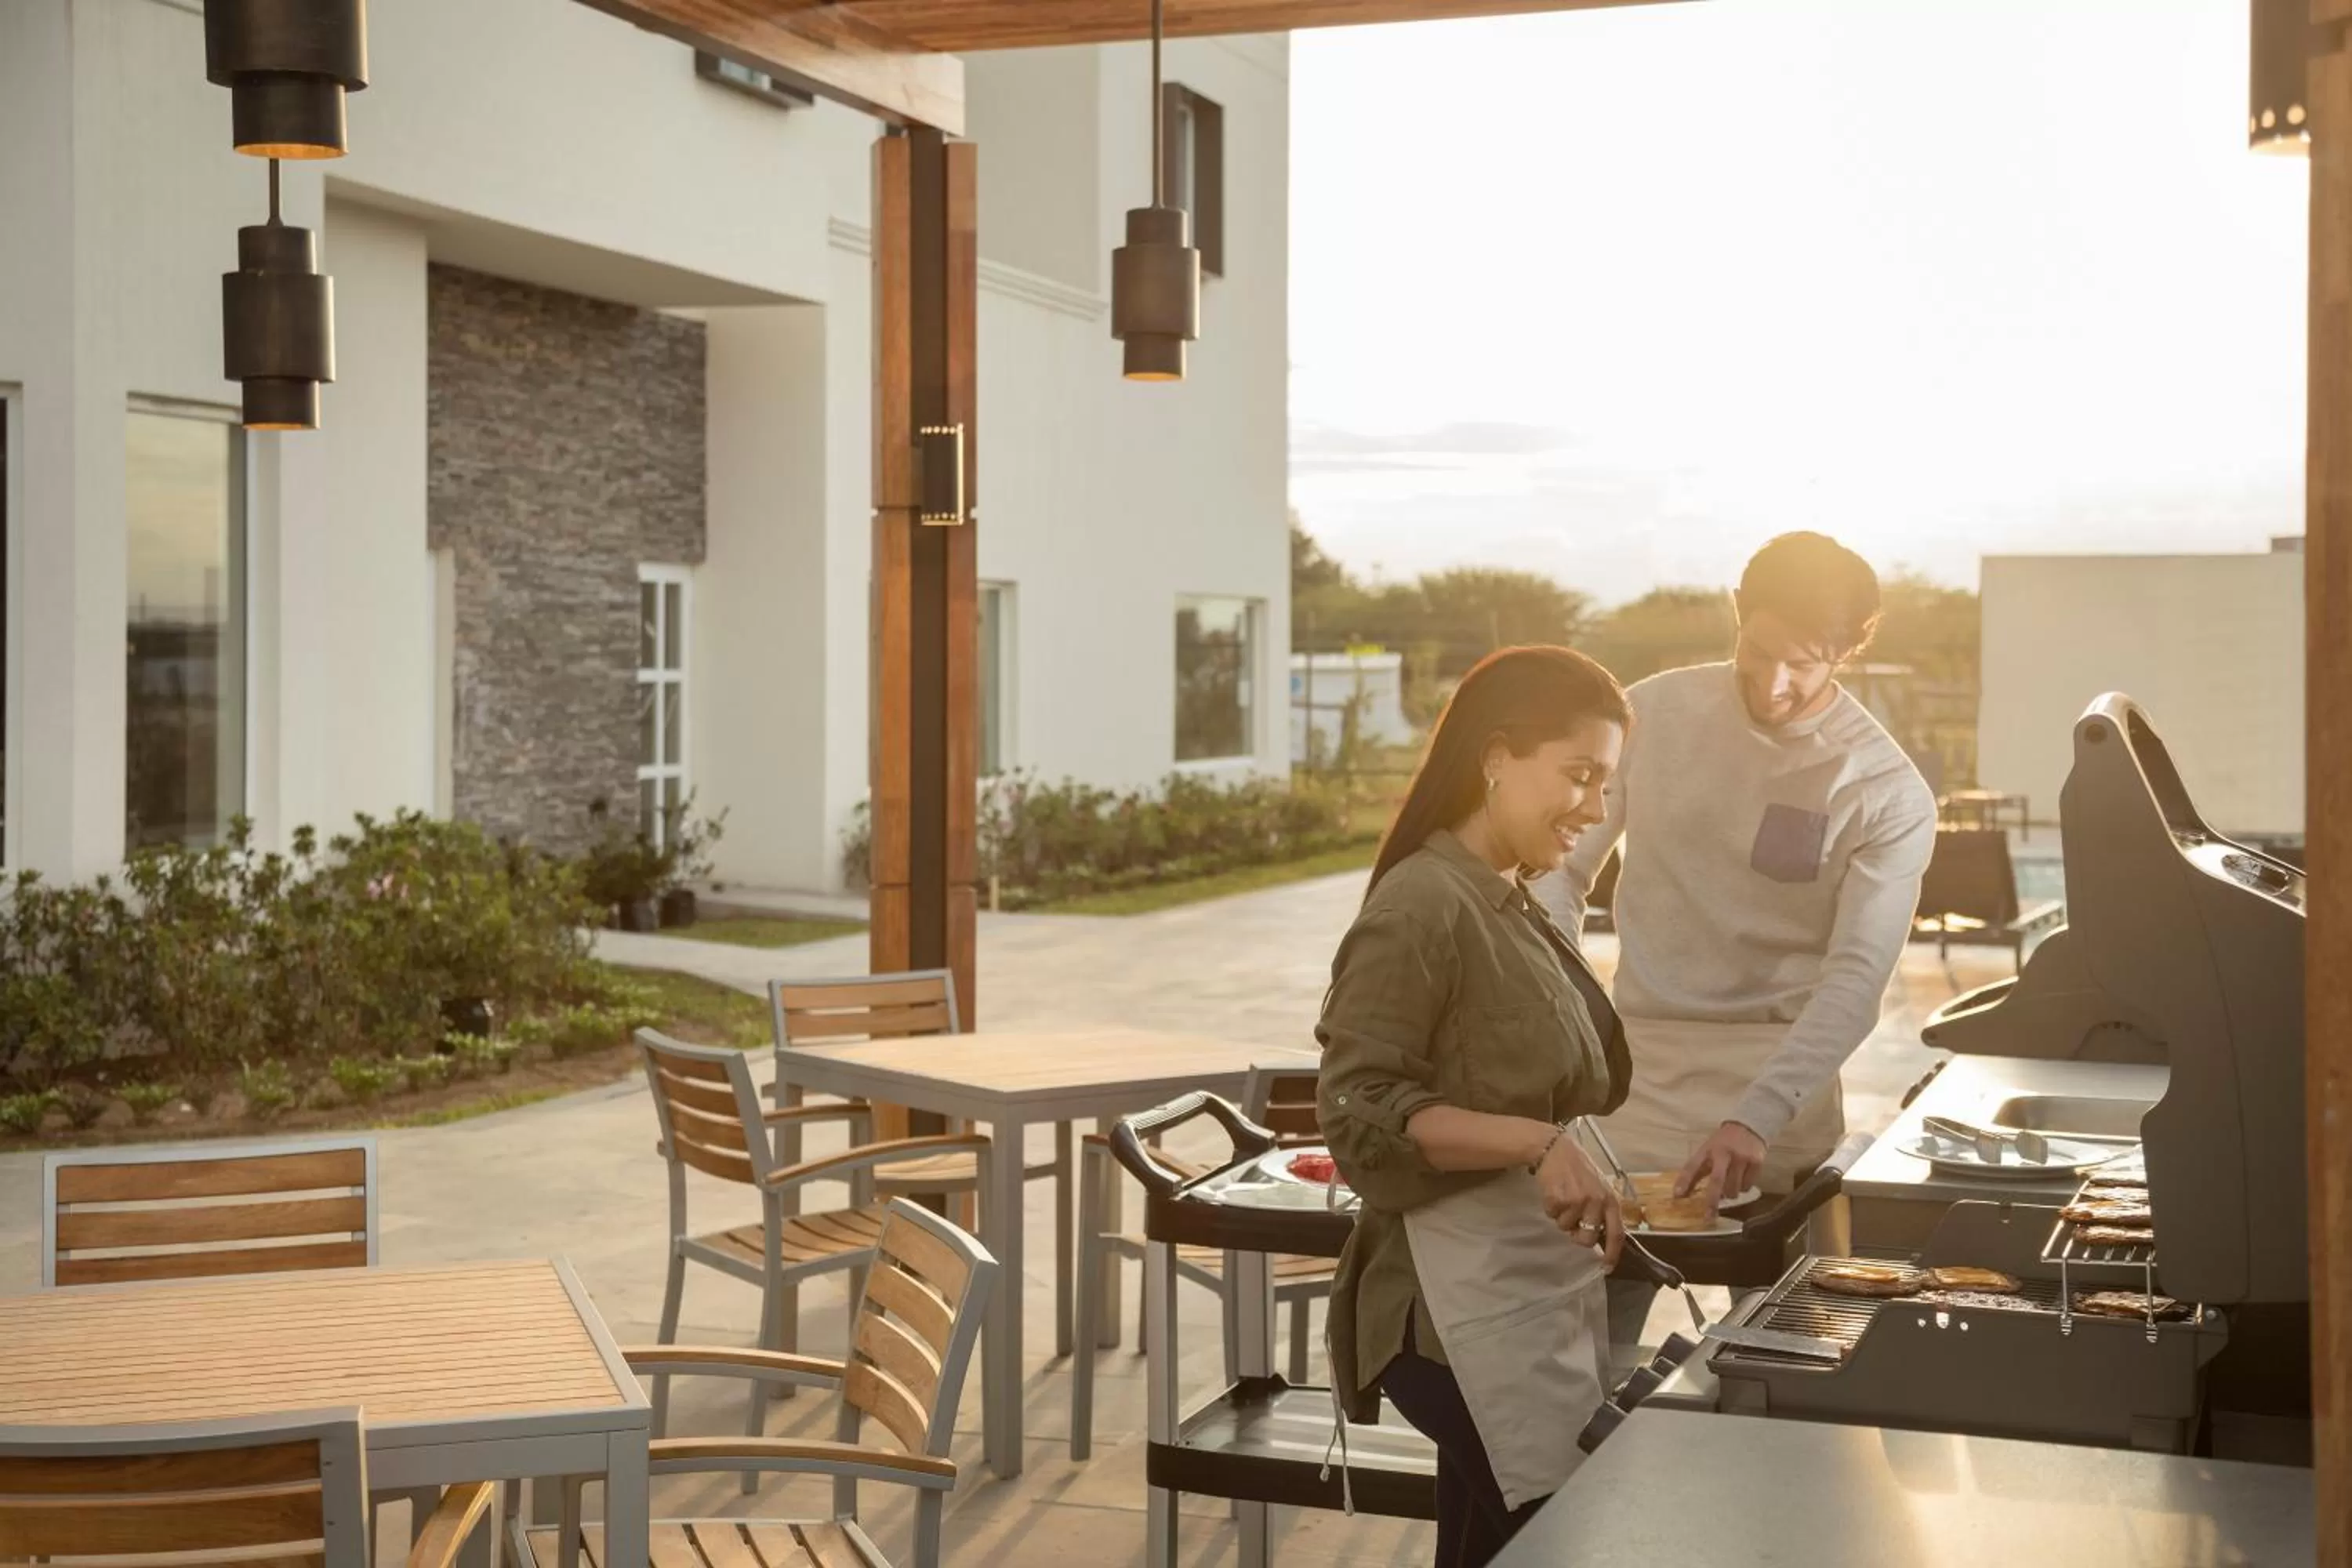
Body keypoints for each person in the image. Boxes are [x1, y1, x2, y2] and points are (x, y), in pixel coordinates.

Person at [1530, 531, 1937, 1345]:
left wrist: (1756, 1115)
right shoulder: (1649, 715)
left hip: (1778, 1082)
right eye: (1759, 650)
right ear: (1737, 615)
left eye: (1806, 662)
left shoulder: (1886, 792)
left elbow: (1856, 978)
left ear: (1848, 651)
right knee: (1582, 1340)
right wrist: (1563, 1007)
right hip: (1628, 1076)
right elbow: (1558, 866)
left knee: (1785, 1339)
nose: (1775, 683)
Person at [1317, 645, 1635, 1568]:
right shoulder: (1422, 904)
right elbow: (1358, 1109)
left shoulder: (1510, 899)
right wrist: (1540, 1144)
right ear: (1497, 757)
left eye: (1606, 784)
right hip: (1445, 1312)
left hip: (1520, 1293)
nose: (1596, 807)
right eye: (1579, 774)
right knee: (1570, 1538)